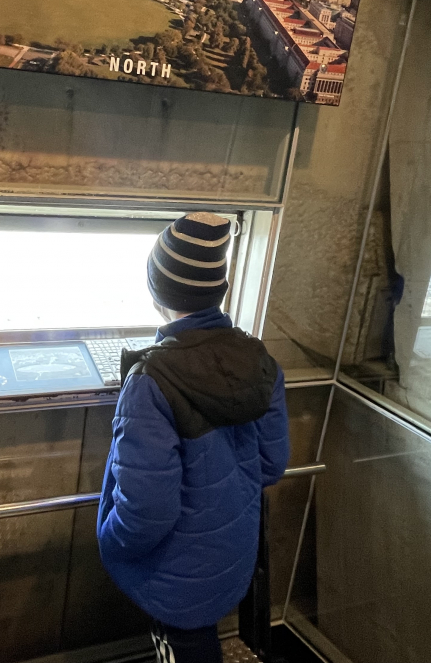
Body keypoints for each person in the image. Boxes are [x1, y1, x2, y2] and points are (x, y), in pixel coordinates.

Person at [96, 212, 290, 663]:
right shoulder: (260, 359)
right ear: (218, 291)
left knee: (184, 650)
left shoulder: (150, 383)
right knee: (197, 642)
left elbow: (147, 509)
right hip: (229, 556)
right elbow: (271, 464)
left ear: (156, 292)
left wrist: (110, 540)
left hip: (172, 575)